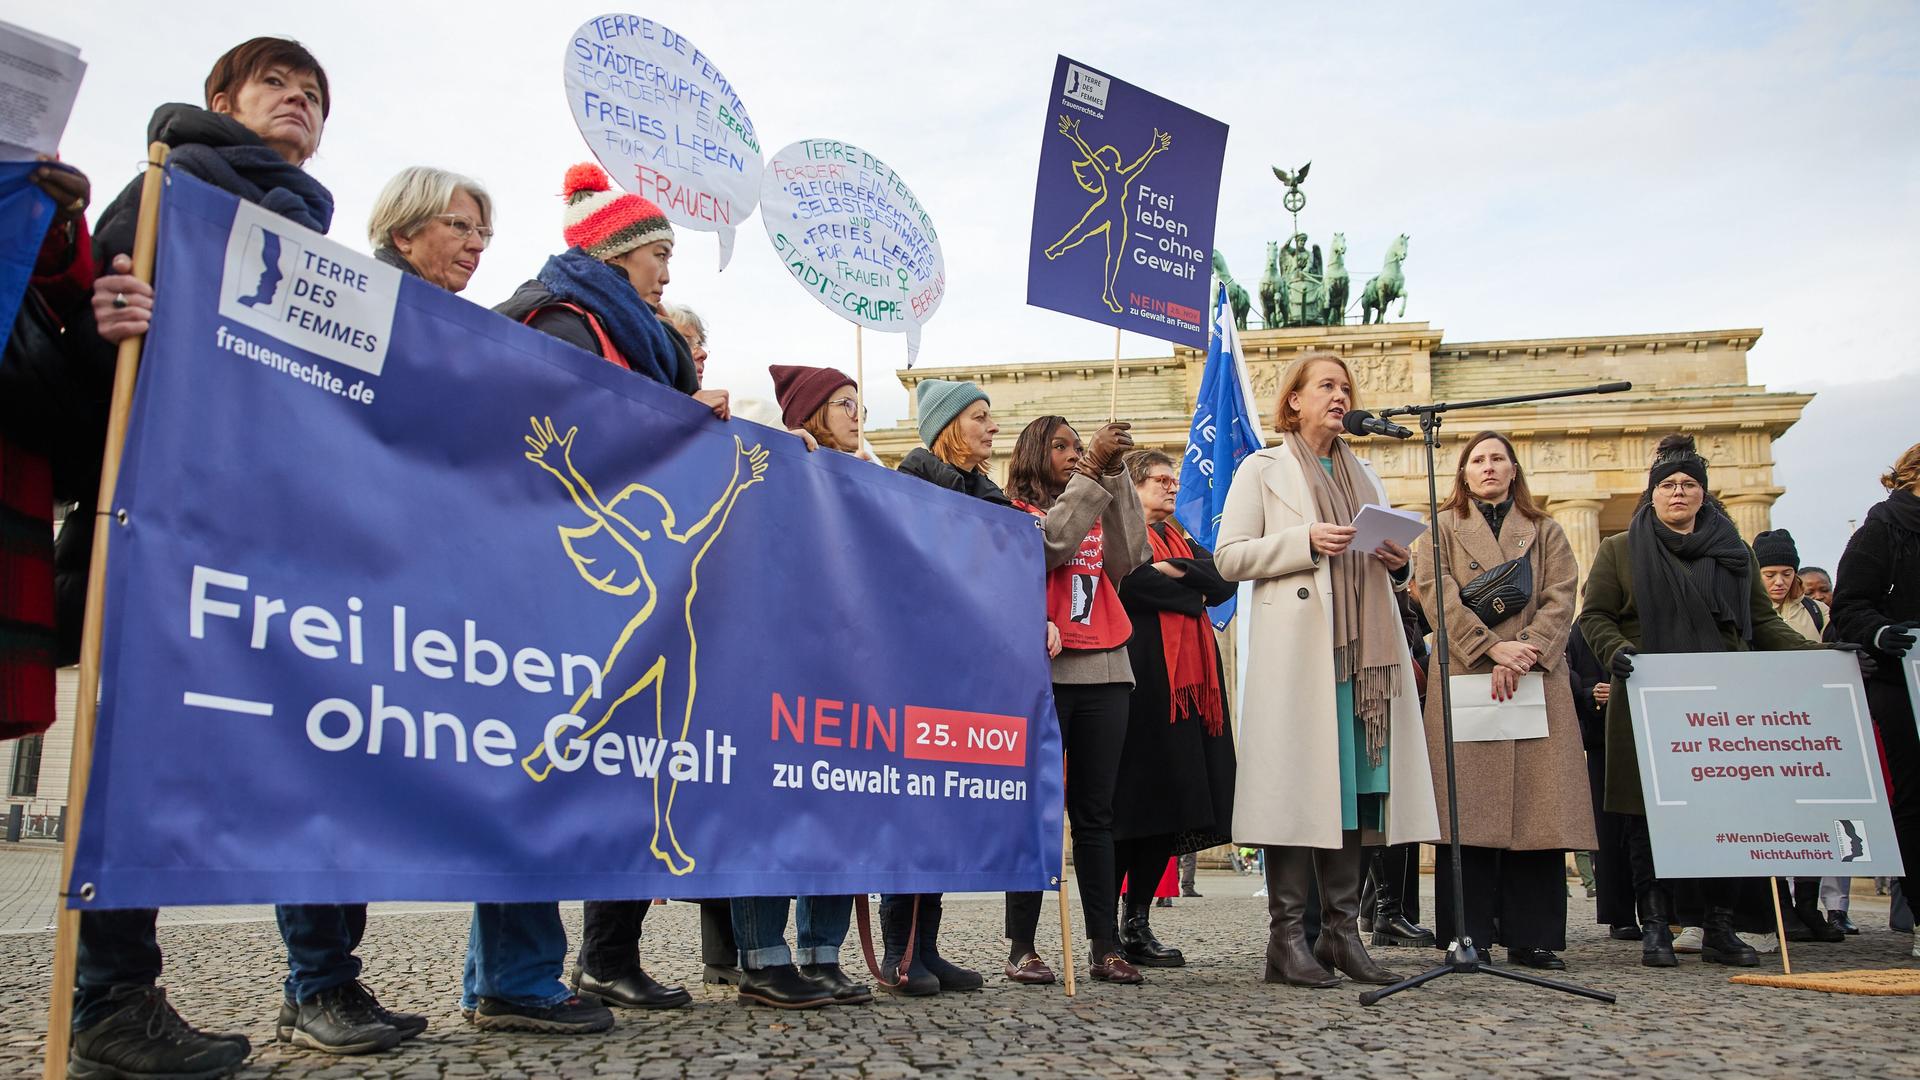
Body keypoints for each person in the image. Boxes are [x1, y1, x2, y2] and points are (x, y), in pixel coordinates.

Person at [75, 38, 429, 1074]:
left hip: (289, 547)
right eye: (279, 83)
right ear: (221, 98)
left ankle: (322, 984)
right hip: (170, 534)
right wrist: (104, 325)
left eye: (316, 95)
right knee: (139, 759)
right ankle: (110, 1002)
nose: (300, 103)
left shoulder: (321, 251)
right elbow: (79, 346)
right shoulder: (165, 194)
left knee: (327, 753)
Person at [360, 164, 621, 1036]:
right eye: (461, 228)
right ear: (404, 232)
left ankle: (510, 976)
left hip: (475, 586)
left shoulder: (473, 328)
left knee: (522, 766)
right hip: (386, 579)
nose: (478, 247)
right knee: (350, 771)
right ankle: (323, 982)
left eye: (484, 234)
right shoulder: (366, 309)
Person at [494, 162, 718, 1023]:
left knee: (630, 768)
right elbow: (575, 441)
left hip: (631, 610)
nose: (667, 272)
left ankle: (594, 960)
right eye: (658, 253)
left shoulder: (631, 334)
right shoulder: (568, 323)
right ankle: (517, 976)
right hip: (556, 587)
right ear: (617, 253)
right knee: (553, 772)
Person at [1214, 352, 1440, 988]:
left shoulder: (1366, 474)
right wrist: (1303, 541)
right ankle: (1286, 939)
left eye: (1346, 387)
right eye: (1327, 387)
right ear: (1294, 401)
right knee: (1294, 791)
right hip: (1300, 657)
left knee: (1357, 792)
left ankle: (1341, 933)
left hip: (1363, 663)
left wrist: (1397, 563)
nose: (1340, 397)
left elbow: (1391, 565)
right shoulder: (1261, 469)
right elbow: (1228, 558)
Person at [1578, 434, 1836, 969]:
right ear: (1652, 494)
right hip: (1650, 695)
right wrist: (1617, 651)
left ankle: (1720, 925)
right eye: (1668, 485)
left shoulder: (1734, 551)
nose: (1678, 493)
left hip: (1723, 701)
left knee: (1724, 811)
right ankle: (1655, 923)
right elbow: (1595, 616)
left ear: (1702, 493)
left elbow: (1762, 624)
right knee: (1647, 817)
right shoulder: (1619, 550)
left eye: (1688, 485)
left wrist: (1824, 655)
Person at [714, 364, 876, 1010]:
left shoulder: (870, 476)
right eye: (843, 403)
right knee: (770, 809)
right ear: (809, 413)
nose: (856, 413)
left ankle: (821, 951)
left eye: (860, 403)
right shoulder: (776, 461)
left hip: (842, 671)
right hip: (776, 667)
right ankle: (763, 956)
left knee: (840, 809)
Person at [1412, 430, 1596, 969]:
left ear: (1514, 470)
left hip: (1534, 677)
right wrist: (1492, 648)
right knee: (1470, 811)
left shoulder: (1547, 530)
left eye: (1498, 458)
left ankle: (1532, 935)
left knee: (1538, 810)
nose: (1488, 467)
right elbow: (1434, 594)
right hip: (1470, 673)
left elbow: (1563, 595)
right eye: (1477, 460)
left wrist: (1527, 651)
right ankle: (1467, 934)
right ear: (1463, 474)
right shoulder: (1439, 531)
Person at [1002, 415, 1151, 986]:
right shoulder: (1016, 513)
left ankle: (1105, 946)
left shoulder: (1093, 492)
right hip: (1047, 672)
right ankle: (1022, 945)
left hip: (1106, 666)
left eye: (1077, 447)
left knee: (1096, 815)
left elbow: (1130, 558)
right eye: (1060, 447)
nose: (1072, 453)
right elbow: (1048, 549)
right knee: (1038, 809)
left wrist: (1114, 479)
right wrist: (1092, 469)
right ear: (1036, 454)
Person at [882, 378, 1002, 995]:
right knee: (913, 807)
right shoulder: (913, 480)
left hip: (961, 668)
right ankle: (902, 950)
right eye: (981, 417)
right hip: (915, 666)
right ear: (949, 426)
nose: (993, 427)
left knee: (943, 807)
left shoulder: (989, 493)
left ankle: (926, 945)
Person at [1110, 449, 1236, 969]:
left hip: (1187, 696)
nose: (1170, 488)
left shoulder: (1180, 537)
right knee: (1130, 810)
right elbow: (1133, 585)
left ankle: (1138, 922)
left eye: (1172, 480)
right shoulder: (1118, 530)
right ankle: (1108, 929)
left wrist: (1176, 570)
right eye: (1160, 480)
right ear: (1133, 487)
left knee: (1170, 810)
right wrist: (1189, 591)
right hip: (1141, 686)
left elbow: (1224, 580)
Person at [1830, 441, 1920, 959]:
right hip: (1902, 683)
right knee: (1914, 799)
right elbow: (1850, 605)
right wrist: (1881, 632)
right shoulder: (1885, 526)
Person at [1752, 529, 1847, 944]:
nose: (1778, 582)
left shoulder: (1815, 612)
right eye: (1769, 573)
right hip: (1761, 725)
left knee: (1812, 817)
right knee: (1769, 818)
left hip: (1808, 725)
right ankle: (1782, 907)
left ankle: (1807, 902)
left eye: (1786, 573)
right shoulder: (1745, 609)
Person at [1569, 625, 1639, 942]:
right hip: (1605, 738)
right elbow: (1574, 677)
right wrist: (1592, 694)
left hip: (1656, 732)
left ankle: (1669, 912)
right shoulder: (1584, 629)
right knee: (1611, 830)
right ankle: (1620, 913)